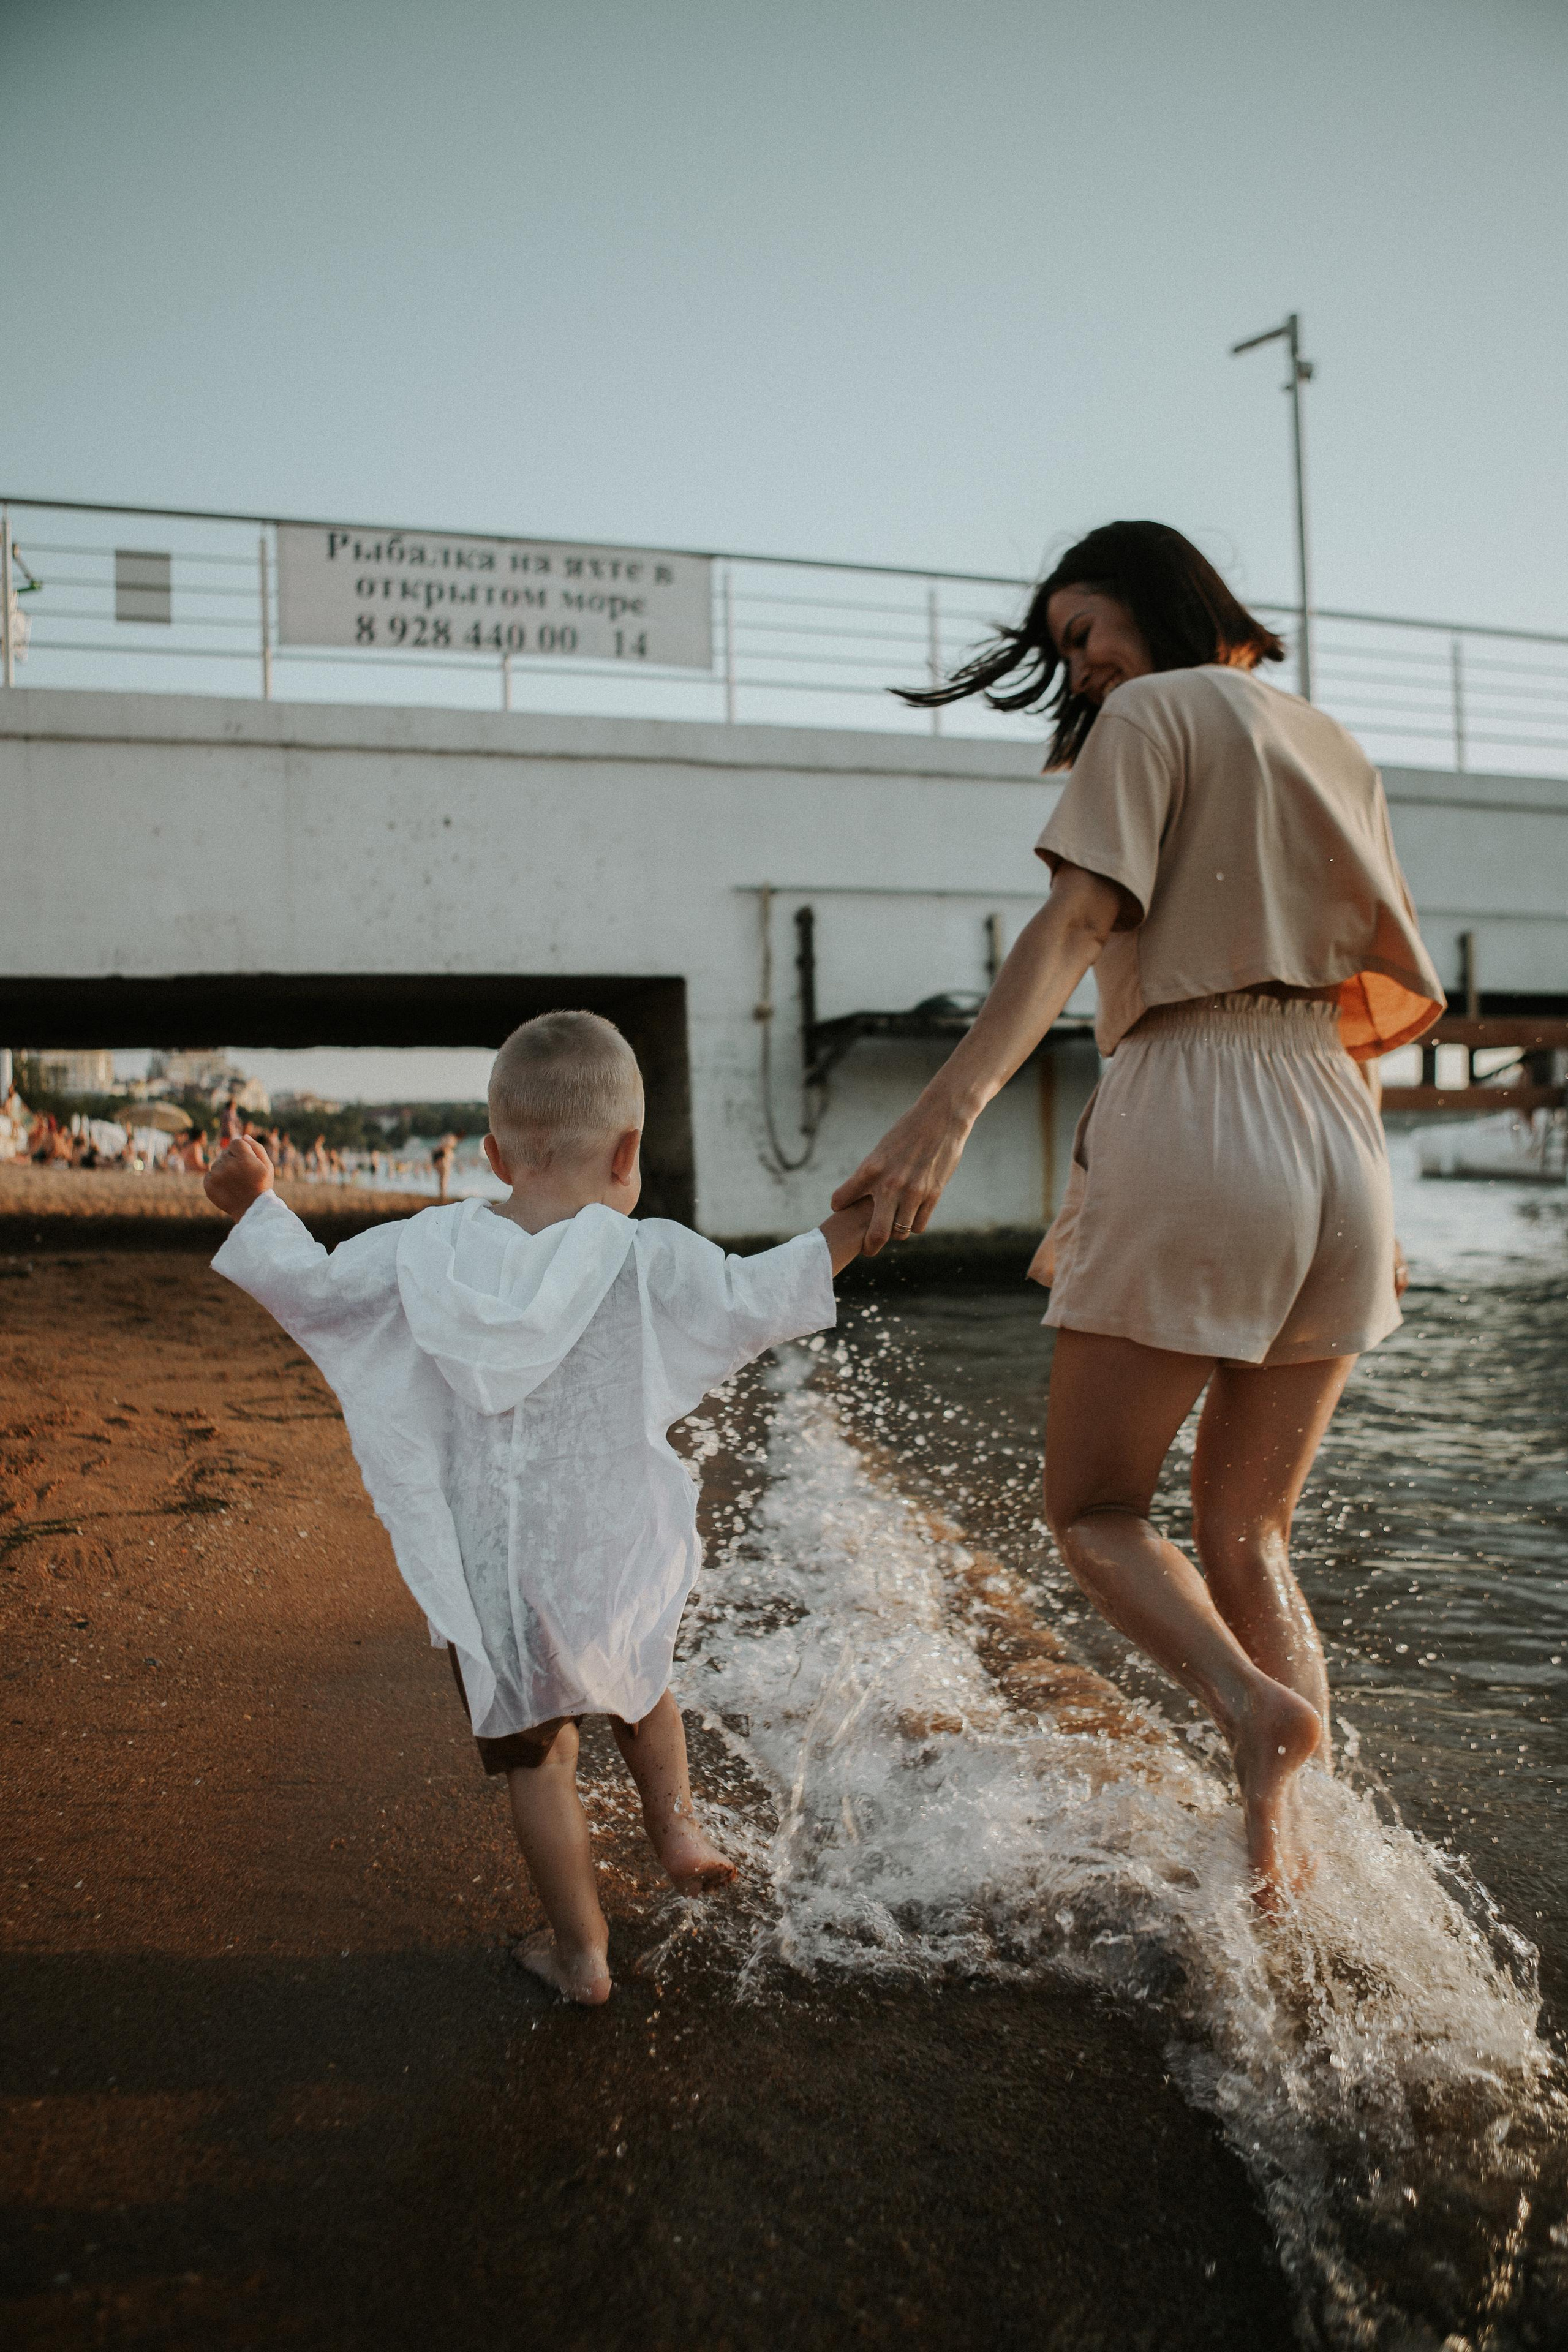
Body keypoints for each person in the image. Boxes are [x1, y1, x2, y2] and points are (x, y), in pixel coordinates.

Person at [832, 521, 1444, 1904]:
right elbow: (1361, 994)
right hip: (1335, 1130)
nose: (1082, 665)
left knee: (1094, 1508)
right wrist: (1358, 1205)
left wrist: (941, 1116)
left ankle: (1246, 1709)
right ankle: (1288, 1855)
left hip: (1193, 1100)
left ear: (1159, 597)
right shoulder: (1328, 738)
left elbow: (1072, 927)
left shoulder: (1154, 713)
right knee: (1250, 1531)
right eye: (1062, 648)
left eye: (1084, 627)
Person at [206, 1009, 872, 2002]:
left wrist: (252, 1200)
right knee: (641, 1676)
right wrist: (865, 1217)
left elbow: (313, 1289)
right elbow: (759, 1295)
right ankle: (678, 1828)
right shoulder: (644, 1255)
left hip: (495, 1572)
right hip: (609, 1543)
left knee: (538, 1759)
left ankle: (581, 1950)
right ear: (629, 1152)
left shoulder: (422, 1251)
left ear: (491, 1154)